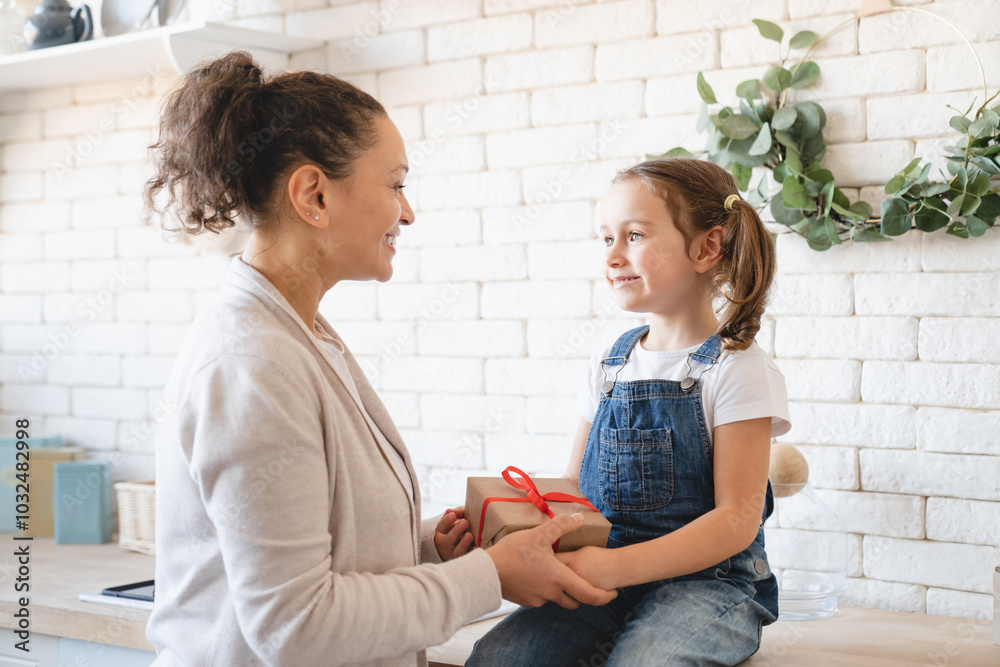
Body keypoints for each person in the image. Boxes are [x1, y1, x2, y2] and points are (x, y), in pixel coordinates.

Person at [143, 51, 616, 667]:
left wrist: (426, 548)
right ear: (314, 195)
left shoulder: (302, 337)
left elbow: (323, 554)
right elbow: (296, 628)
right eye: (395, 183)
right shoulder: (252, 366)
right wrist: (488, 577)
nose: (408, 210)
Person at [467, 158, 792, 666]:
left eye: (634, 235)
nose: (614, 255)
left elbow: (736, 521)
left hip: (707, 588)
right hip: (604, 572)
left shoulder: (736, 369)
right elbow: (572, 488)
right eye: (605, 239)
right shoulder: (610, 363)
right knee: (500, 657)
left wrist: (614, 569)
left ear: (707, 247)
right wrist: (510, 526)